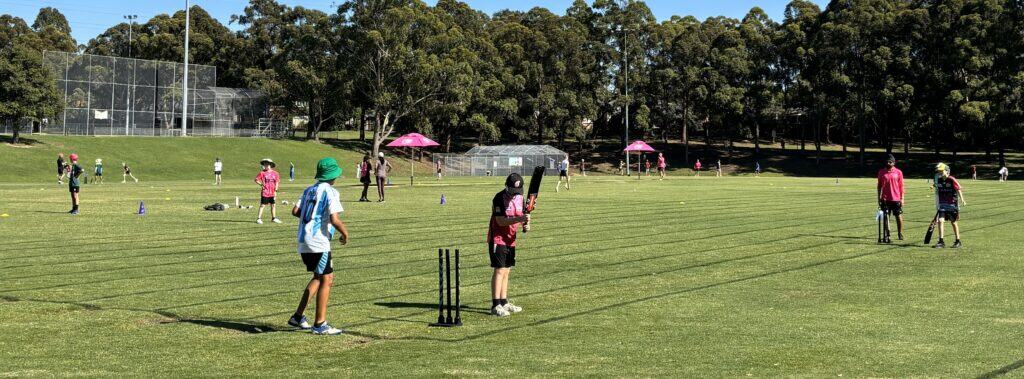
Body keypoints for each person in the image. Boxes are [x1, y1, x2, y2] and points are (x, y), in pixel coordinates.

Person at [288, 157, 349, 335]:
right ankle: (320, 323)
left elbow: (295, 211)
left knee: (318, 276)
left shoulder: (309, 189)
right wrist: (345, 233)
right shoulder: (330, 191)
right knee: (327, 279)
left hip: (303, 240)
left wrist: (310, 219)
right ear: (333, 175)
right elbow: (335, 219)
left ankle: (298, 317)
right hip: (318, 242)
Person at [488, 173, 530, 317]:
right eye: (512, 191)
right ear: (507, 186)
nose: (515, 194)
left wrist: (525, 224)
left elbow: (523, 216)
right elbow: (500, 221)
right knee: (499, 270)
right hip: (498, 238)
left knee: (507, 270)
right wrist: (520, 218)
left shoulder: (520, 198)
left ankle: (504, 301)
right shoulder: (498, 198)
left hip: (511, 239)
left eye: (517, 192)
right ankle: (496, 305)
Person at [933, 163, 966, 249]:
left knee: (954, 223)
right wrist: (937, 204)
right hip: (942, 204)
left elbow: (958, 189)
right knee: (940, 221)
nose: (939, 172)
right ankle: (941, 241)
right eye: (939, 171)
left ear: (947, 171)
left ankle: (958, 241)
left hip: (952, 205)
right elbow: (938, 191)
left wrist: (962, 200)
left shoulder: (951, 179)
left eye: (941, 171)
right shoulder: (939, 180)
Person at [876, 154, 905, 242]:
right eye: (887, 162)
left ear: (894, 163)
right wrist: (878, 198)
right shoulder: (881, 172)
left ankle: (900, 233)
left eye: (890, 162)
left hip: (896, 199)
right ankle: (887, 234)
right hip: (885, 199)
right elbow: (879, 186)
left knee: (898, 217)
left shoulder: (898, 172)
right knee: (885, 217)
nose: (888, 163)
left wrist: (902, 198)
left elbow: (901, 186)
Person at [255, 159, 282, 224]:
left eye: (267, 164)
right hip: (265, 192)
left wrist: (275, 191)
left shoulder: (275, 173)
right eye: (264, 164)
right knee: (262, 205)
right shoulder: (262, 173)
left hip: (272, 192)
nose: (266, 165)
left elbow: (277, 182)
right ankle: (259, 219)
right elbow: (256, 179)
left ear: (270, 165)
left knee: (273, 205)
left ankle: (274, 218)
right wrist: (261, 184)